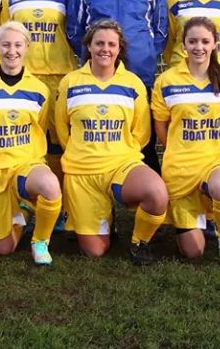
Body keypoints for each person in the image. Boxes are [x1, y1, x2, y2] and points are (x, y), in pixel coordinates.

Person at [54, 20, 168, 265]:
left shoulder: (133, 83)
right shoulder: (71, 83)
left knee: (156, 193)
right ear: (89, 46)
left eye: (111, 44)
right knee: (95, 251)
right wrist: (80, 152)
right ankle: (107, 218)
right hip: (82, 171)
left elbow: (141, 133)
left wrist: (119, 152)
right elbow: (62, 128)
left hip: (121, 164)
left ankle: (139, 243)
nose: (105, 49)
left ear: (119, 49)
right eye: (99, 43)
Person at [67, 0, 168, 172]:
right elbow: (74, 30)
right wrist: (95, 57)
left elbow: (160, 29)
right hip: (98, 77)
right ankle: (101, 190)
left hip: (139, 75)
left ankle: (146, 195)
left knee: (143, 136)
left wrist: (143, 54)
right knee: (103, 134)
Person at [152, 17, 220, 270]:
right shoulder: (168, 80)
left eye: (205, 41)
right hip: (180, 168)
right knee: (193, 252)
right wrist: (175, 148)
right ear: (183, 44)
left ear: (215, 44)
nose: (199, 47)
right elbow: (160, 124)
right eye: (192, 41)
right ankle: (203, 217)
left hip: (215, 160)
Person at [0, 22, 63, 265]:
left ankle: (40, 241)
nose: (12, 51)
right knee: (4, 249)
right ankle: (25, 211)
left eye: (18, 45)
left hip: (24, 165)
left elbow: (40, 127)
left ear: (27, 47)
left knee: (50, 186)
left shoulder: (39, 89)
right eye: (6, 44)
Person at [1, 0, 76, 212]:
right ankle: (29, 204)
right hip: (25, 79)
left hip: (58, 76)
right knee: (28, 139)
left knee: (59, 142)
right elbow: (3, 35)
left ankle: (60, 204)